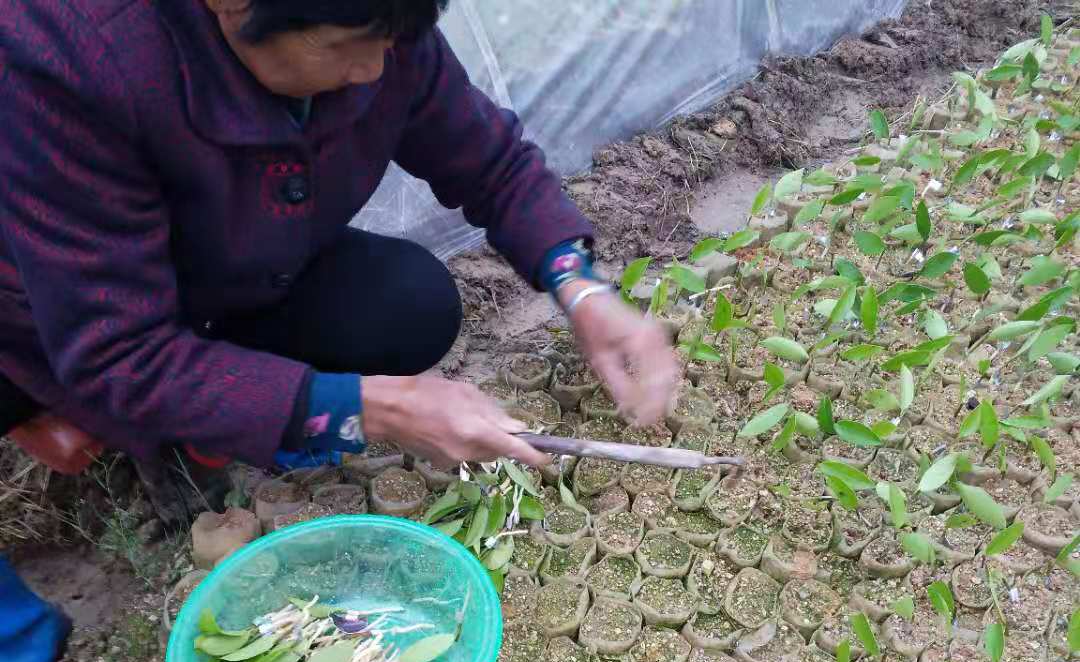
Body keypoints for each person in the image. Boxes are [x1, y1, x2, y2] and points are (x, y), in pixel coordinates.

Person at [0, 0, 680, 481]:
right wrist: (372, 410)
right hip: (72, 308)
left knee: (406, 304)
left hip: (237, 266)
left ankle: (228, 397)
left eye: (388, 41)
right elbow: (118, 349)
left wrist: (579, 286)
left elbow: (488, 161)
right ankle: (148, 441)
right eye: (342, 47)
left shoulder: (372, 20)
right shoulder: (68, 59)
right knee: (141, 407)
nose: (373, 72)